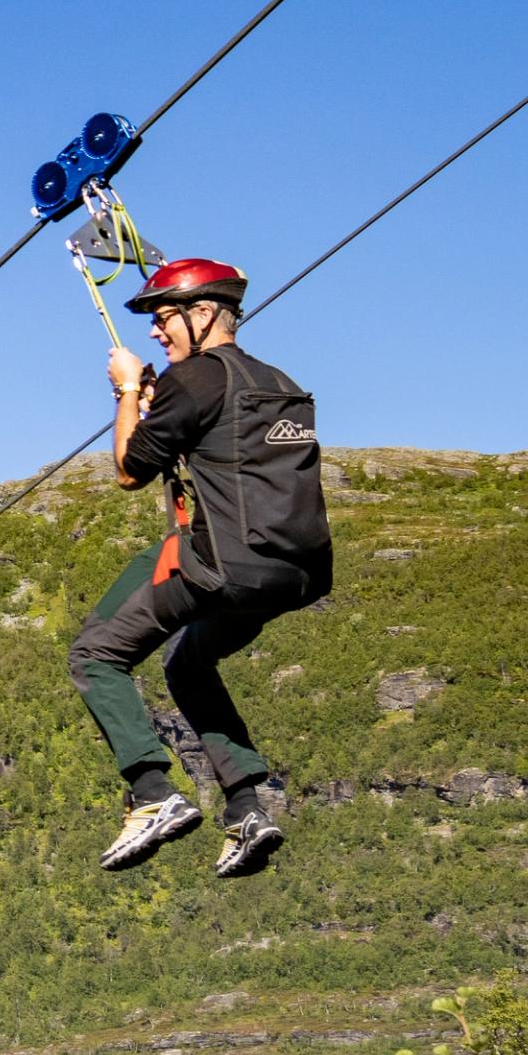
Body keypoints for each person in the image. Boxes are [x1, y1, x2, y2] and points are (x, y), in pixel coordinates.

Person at [71, 255, 332, 878]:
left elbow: (131, 470)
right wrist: (169, 404)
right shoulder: (277, 382)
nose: (156, 334)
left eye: (164, 320)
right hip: (291, 575)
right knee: (187, 663)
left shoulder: (196, 380)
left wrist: (128, 389)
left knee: (95, 655)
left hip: (221, 566)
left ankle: (153, 794)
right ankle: (246, 806)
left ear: (205, 313)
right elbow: (224, 446)